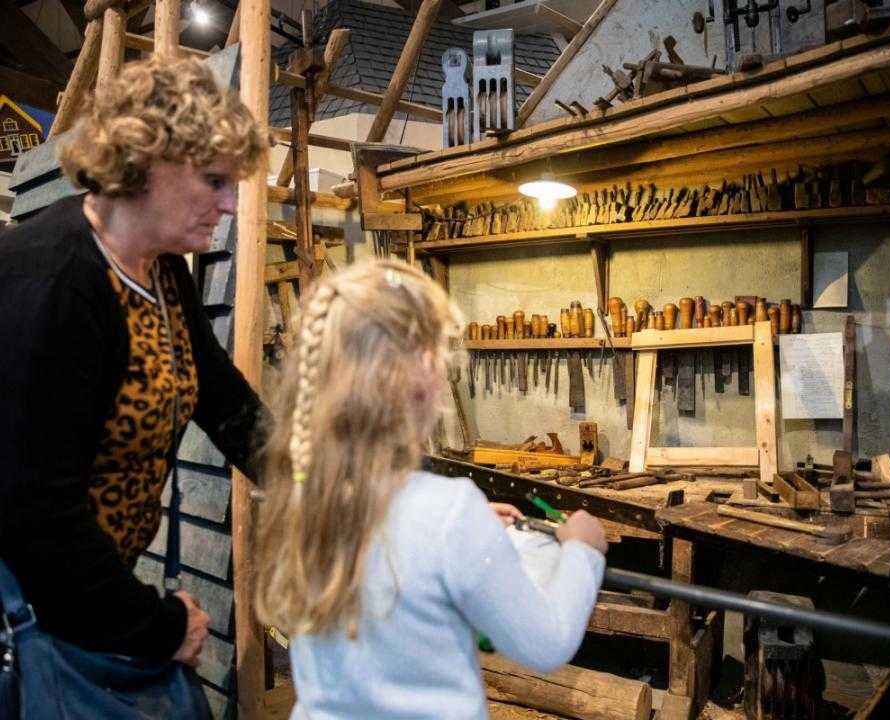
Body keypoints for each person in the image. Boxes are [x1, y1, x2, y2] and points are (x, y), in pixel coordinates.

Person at [0, 56, 269, 668]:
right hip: (26, 615)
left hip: (76, 600)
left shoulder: (159, 267)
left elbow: (228, 407)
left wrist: (356, 496)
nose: (229, 205)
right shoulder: (52, 282)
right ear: (144, 161)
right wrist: (156, 625)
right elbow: (33, 512)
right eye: (213, 181)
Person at [255, 260, 609, 719]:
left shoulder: (303, 493)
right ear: (421, 374)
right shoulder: (449, 511)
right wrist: (583, 550)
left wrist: (473, 533)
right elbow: (546, 641)